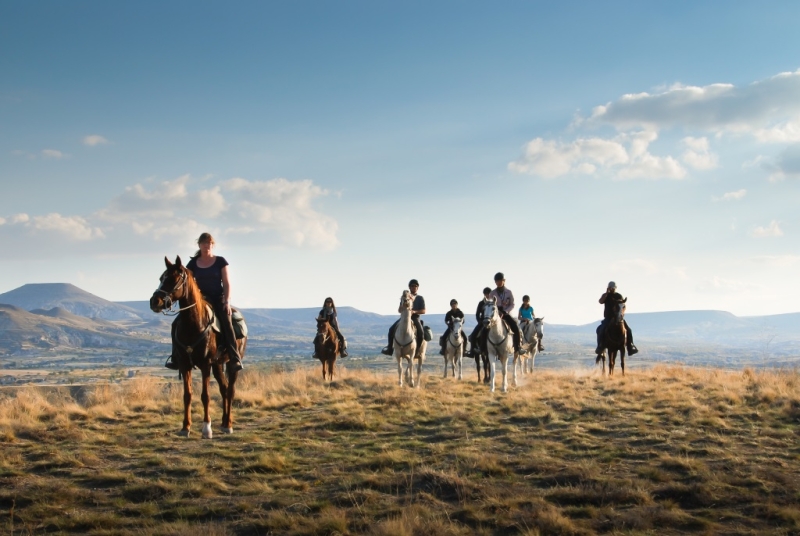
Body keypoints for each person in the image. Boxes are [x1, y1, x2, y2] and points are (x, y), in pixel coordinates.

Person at [165, 232, 243, 371]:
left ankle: (234, 356)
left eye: (210, 243)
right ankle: (176, 357)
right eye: (204, 243)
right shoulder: (193, 263)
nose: (207, 245)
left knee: (227, 322)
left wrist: (227, 302)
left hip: (218, 298)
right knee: (176, 324)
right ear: (199, 245)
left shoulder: (220, 261)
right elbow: (186, 282)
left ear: (213, 245)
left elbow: (226, 283)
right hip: (200, 299)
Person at [381, 279, 426, 356]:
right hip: (404, 317)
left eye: (415, 286)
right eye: (412, 286)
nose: (414, 287)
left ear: (417, 288)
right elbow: (399, 310)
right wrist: (402, 306)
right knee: (391, 329)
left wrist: (414, 311)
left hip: (415, 318)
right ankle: (390, 348)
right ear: (409, 287)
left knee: (421, 333)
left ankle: (417, 351)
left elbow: (424, 311)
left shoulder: (420, 298)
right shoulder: (405, 297)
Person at [596, 281, 638, 356]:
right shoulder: (606, 296)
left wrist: (621, 314)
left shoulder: (618, 296)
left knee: (628, 330)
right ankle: (600, 346)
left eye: (613, 288)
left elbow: (623, 305)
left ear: (615, 288)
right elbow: (600, 301)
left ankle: (630, 346)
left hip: (618, 317)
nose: (612, 289)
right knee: (600, 329)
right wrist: (606, 293)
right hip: (608, 318)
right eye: (610, 288)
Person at [488, 272, 526, 355]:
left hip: (506, 313)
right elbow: (490, 305)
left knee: (515, 326)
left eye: (500, 280)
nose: (498, 282)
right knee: (484, 327)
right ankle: (481, 347)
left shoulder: (509, 292)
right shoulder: (492, 293)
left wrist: (506, 311)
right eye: (496, 281)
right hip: (495, 314)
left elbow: (512, 304)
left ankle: (518, 347)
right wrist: (496, 312)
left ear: (504, 281)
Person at [466, 287, 492, 357]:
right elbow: (477, 314)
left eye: (488, 294)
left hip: (492, 322)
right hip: (483, 322)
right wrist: (480, 321)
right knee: (473, 336)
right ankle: (472, 352)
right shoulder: (481, 303)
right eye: (486, 294)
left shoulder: (494, 303)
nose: (487, 295)